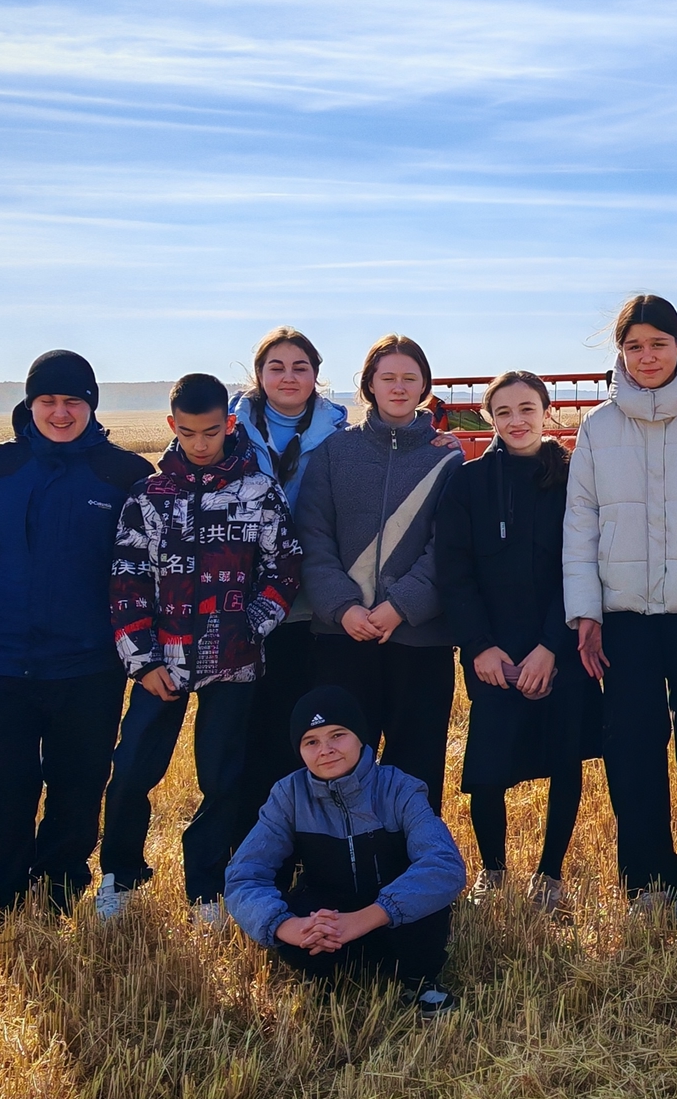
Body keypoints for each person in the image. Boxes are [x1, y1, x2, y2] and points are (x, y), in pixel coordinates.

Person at [0, 349, 154, 918]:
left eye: (73, 401)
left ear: (92, 405)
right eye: (48, 400)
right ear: (29, 404)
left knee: (78, 788)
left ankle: (58, 894)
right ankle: (2, 896)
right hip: (4, 663)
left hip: (90, 665)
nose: (61, 412)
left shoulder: (125, 474)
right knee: (0, 786)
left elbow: (158, 560)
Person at [94, 372, 303, 926]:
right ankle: (120, 876)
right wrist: (142, 662)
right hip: (162, 666)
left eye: (211, 432)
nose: (201, 444)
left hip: (233, 668)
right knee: (132, 770)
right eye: (188, 433)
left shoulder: (260, 492)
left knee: (222, 778)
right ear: (171, 427)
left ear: (229, 424)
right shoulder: (149, 497)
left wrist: (251, 628)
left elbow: (284, 569)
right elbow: (127, 580)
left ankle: (207, 888)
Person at [564, 294, 677, 908]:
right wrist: (585, 613)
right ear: (621, 352)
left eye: (658, 344)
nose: (647, 356)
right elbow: (581, 525)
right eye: (635, 346)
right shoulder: (597, 427)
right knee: (632, 745)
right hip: (623, 620)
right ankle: (645, 874)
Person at [436, 370, 600, 911]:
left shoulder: (571, 477)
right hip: (493, 654)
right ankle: (494, 871)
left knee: (564, 758)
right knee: (487, 765)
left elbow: (578, 566)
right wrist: (480, 645)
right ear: (488, 418)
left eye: (527, 409)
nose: (516, 421)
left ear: (546, 411)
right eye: (504, 411)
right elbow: (453, 571)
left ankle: (549, 876)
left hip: (561, 646)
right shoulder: (466, 483)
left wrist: (552, 647)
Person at [294, 335, 462, 813]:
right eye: (388, 377)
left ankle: (416, 873)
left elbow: (447, 548)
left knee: (418, 765)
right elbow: (313, 536)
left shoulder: (446, 458)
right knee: (343, 764)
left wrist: (401, 606)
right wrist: (343, 608)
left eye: (410, 377)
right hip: (341, 639)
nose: (399, 386)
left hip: (419, 639)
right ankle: (348, 872)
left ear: (425, 385)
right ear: (369, 383)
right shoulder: (334, 453)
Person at [224, 686, 463, 1014]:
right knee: (301, 925)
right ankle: (331, 978)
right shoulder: (288, 795)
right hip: (331, 922)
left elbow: (444, 865)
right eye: (311, 741)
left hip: (393, 918)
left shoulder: (400, 787)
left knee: (426, 909)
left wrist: (366, 919)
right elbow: (243, 876)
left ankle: (419, 982)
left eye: (338, 735)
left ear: (361, 737)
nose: (326, 750)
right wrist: (288, 927)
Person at [228, 328, 348, 812]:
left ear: (316, 376)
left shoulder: (340, 435)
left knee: (305, 719)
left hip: (311, 602)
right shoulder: (230, 432)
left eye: (300, 367)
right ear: (259, 375)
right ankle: (253, 836)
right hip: (242, 600)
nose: (288, 376)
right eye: (276, 367)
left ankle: (308, 832)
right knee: (248, 726)